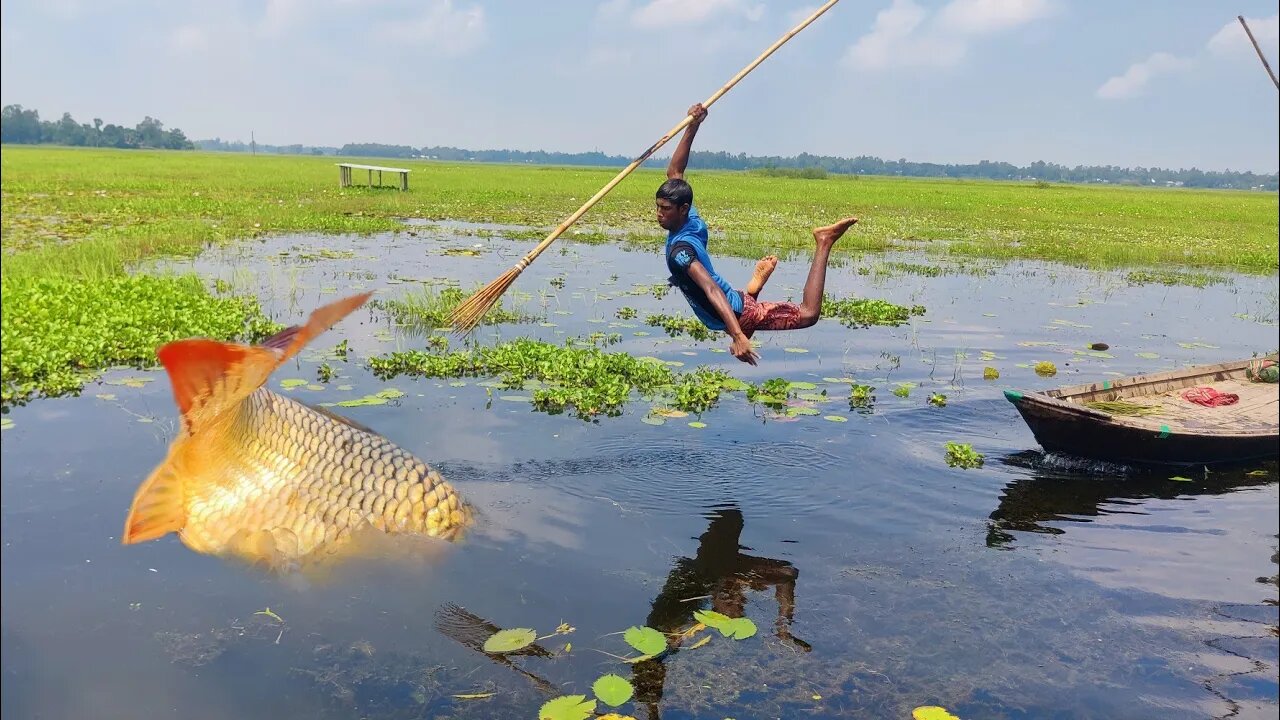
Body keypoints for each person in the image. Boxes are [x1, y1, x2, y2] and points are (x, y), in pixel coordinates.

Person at [658, 102, 859, 365]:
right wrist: (693, 126)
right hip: (734, 305)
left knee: (808, 315)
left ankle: (824, 242)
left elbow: (710, 289)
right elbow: (675, 173)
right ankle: (753, 288)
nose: (659, 214)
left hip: (737, 313)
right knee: (740, 310)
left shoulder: (681, 252)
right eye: (658, 207)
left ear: (682, 209)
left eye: (665, 209)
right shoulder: (690, 221)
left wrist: (738, 335)